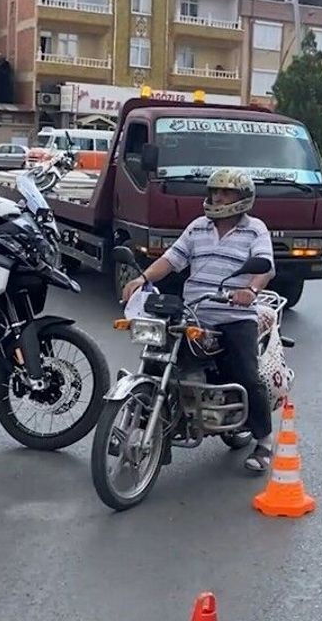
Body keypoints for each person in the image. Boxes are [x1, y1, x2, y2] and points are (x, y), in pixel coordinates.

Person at [119, 168, 277, 473]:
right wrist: (141, 279)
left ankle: (264, 440)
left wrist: (250, 290)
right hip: (194, 312)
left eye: (226, 192)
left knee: (247, 374)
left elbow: (266, 266)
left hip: (234, 315)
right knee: (157, 360)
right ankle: (150, 426)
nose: (218, 197)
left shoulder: (255, 229)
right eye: (214, 191)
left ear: (243, 197)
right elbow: (171, 260)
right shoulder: (197, 227)